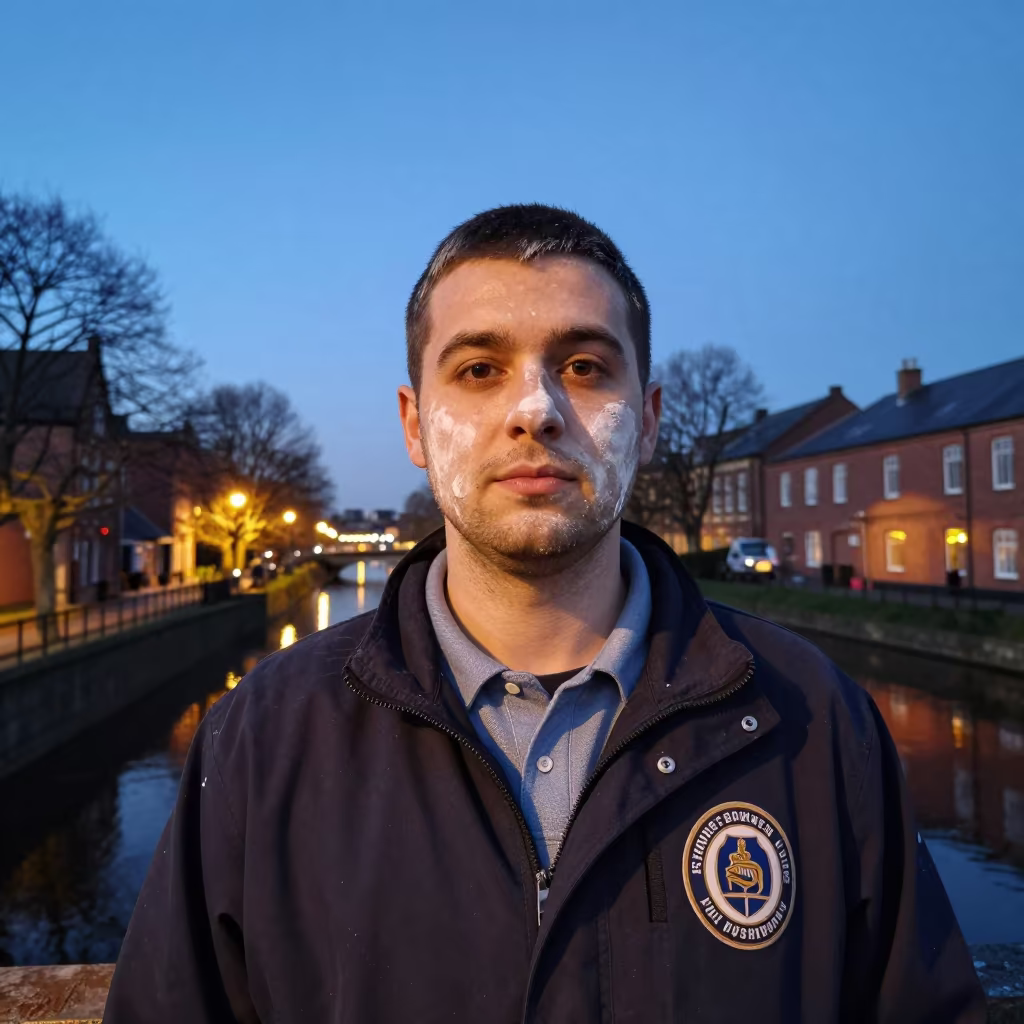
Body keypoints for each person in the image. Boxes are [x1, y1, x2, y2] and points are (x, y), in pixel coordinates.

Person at [104, 204, 985, 1023]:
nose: (535, 411)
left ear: (646, 421)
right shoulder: (263, 736)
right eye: (480, 369)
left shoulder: (815, 719)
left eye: (584, 367)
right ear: (414, 425)